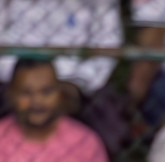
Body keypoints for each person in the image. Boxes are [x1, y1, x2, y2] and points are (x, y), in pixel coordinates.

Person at [0, 0, 124, 148]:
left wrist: (79, 82)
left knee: (105, 118)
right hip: (17, 73)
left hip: (74, 78)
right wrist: (17, 77)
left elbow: (108, 43)